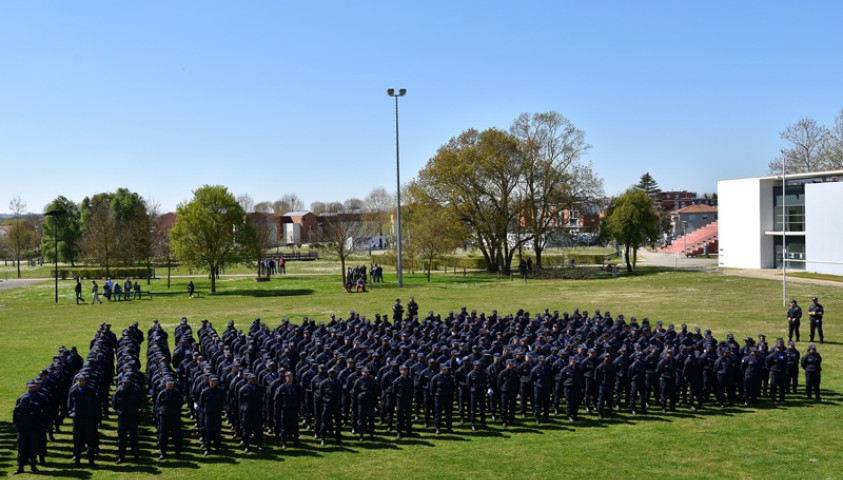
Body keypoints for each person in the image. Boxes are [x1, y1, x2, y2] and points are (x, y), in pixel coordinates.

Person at [67, 375, 99, 467]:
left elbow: (96, 406)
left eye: (82, 380)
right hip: (77, 420)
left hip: (89, 420)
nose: (81, 382)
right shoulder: (73, 391)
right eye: (79, 380)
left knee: (90, 441)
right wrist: (73, 414)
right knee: (77, 442)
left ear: (86, 381)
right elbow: (69, 404)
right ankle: (77, 461)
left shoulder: (91, 392)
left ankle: (91, 461)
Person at [14, 382, 41, 474]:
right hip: (22, 432)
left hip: (33, 432)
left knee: (33, 450)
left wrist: (36, 430)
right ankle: (20, 468)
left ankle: (33, 466)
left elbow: (39, 419)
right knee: (21, 450)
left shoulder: (35, 407)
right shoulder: (18, 409)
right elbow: (15, 420)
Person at [112, 377, 141, 463]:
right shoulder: (118, 393)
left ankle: (136, 456)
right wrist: (119, 412)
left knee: (134, 438)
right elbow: (114, 405)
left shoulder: (135, 392)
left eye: (127, 383)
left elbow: (139, 403)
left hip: (133, 417)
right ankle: (121, 457)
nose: (126, 385)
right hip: (122, 418)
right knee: (121, 439)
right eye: (124, 383)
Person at [156, 378, 183, 460]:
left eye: (171, 383)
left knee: (176, 434)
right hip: (164, 416)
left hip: (174, 416)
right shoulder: (162, 393)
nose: (170, 385)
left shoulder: (177, 393)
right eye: (168, 383)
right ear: (165, 384)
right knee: (163, 435)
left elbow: (181, 402)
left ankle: (178, 452)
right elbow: (158, 403)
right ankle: (163, 453)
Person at [199, 375, 225, 455]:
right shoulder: (205, 392)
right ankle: (207, 448)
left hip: (217, 414)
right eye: (212, 381)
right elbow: (201, 404)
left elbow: (223, 401)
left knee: (217, 431)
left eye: (215, 381)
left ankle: (217, 448)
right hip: (208, 415)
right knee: (208, 432)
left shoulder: (220, 391)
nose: (213, 383)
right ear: (209, 382)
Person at [238, 373, 264, 452]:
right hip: (247, 413)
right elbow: (240, 401)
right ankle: (246, 446)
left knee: (258, 429)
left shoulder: (260, 388)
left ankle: (259, 444)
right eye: (252, 379)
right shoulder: (243, 389)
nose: (254, 380)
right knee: (246, 430)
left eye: (255, 378)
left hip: (257, 412)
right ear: (248, 380)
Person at [430, 363, 455, 435]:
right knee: (438, 414)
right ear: (441, 370)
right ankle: (437, 428)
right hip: (439, 397)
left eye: (447, 369)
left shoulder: (450, 377)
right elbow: (432, 389)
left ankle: (449, 427)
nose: (446, 370)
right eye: (444, 369)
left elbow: (453, 387)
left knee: (449, 413)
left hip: (448, 397)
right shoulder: (436, 377)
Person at [393, 364, 415, 439]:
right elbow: (394, 391)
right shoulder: (397, 380)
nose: (405, 371)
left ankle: (409, 430)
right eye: (404, 370)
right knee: (399, 416)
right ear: (400, 371)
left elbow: (412, 390)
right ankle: (399, 431)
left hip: (408, 400)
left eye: (406, 370)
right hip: (400, 400)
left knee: (408, 416)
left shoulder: (410, 380)